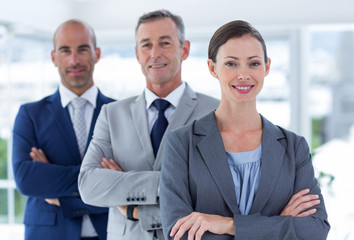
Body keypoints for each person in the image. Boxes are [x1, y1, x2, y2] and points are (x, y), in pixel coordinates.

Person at [159, 20, 330, 240]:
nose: (243, 74)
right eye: (231, 63)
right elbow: (178, 234)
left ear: (267, 67)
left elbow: (315, 230)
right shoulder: (182, 144)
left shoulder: (293, 147)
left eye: (254, 63)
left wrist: (229, 225)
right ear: (213, 68)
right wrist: (278, 222)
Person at [78, 9, 219, 240]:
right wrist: (174, 181)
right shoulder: (111, 114)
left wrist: (129, 201)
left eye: (165, 43)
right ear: (136, 54)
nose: (155, 53)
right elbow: (88, 185)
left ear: (184, 50)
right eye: (146, 45)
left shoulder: (214, 112)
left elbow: (214, 193)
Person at [12, 19, 114, 240]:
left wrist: (56, 186)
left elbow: (128, 184)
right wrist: (101, 179)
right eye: (65, 50)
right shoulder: (30, 114)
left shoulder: (120, 113)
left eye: (83, 49)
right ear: (53, 57)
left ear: (96, 54)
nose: (74, 60)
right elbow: (25, 179)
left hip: (111, 233)